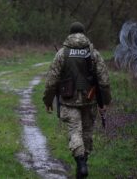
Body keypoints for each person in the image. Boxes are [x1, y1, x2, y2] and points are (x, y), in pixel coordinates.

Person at [43, 22, 111, 178]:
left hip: (69, 100)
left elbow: (52, 80)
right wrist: (105, 101)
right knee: (87, 132)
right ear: (83, 33)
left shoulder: (62, 53)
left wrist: (48, 101)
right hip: (90, 99)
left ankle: (80, 165)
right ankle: (83, 164)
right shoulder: (93, 53)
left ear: (70, 34)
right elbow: (104, 80)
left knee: (75, 131)